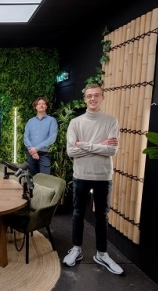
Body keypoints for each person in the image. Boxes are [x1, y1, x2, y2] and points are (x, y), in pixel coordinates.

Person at [63, 84, 123, 275]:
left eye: (96, 95)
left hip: (103, 176)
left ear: (102, 97)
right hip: (81, 175)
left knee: (102, 216)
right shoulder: (76, 123)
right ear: (85, 99)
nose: (93, 99)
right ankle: (76, 249)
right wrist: (99, 145)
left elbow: (111, 150)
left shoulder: (111, 121)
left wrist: (84, 145)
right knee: (78, 214)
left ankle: (102, 254)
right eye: (89, 96)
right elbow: (71, 151)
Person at [23, 97, 58, 176]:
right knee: (31, 179)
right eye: (39, 104)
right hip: (31, 154)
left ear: (46, 106)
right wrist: (32, 150)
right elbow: (26, 137)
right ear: (36, 107)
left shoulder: (52, 120)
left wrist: (36, 148)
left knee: (44, 180)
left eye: (43, 104)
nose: (41, 105)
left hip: (44, 155)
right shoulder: (30, 121)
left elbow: (52, 138)